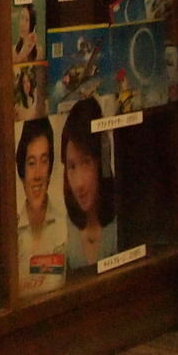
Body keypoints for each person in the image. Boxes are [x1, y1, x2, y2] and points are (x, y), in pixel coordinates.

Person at [61, 98, 117, 268]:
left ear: (101, 162)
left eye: (86, 163)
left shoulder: (122, 226)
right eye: (71, 167)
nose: (78, 184)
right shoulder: (62, 232)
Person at [15, 118, 66, 297]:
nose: (37, 175)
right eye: (31, 163)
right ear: (22, 172)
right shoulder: (11, 231)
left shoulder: (64, 222)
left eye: (44, 161)